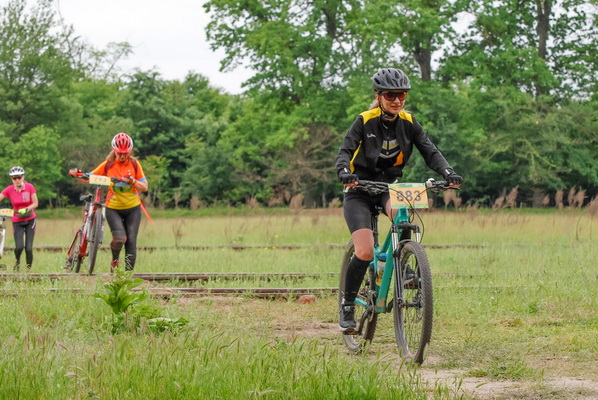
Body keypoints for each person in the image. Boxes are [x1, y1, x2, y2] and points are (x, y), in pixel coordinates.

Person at [335, 68, 463, 333]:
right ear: (379, 96)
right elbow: (345, 150)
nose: (396, 100)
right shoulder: (364, 120)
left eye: (401, 95)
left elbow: (430, 151)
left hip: (387, 187)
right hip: (359, 189)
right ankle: (347, 306)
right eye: (391, 95)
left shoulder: (409, 122)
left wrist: (448, 172)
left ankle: (404, 266)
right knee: (365, 251)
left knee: (402, 214)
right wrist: (345, 172)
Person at [69, 133, 148, 271]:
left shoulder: (135, 164)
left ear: (130, 151)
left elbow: (145, 186)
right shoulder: (108, 164)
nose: (122, 156)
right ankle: (114, 261)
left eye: (125, 153)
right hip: (113, 208)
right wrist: (77, 175)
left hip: (133, 209)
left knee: (131, 242)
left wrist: (133, 181)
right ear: (114, 151)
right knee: (119, 239)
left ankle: (127, 277)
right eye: (119, 153)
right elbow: (90, 177)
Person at [0, 166, 39, 270]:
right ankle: (17, 261)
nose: (17, 180)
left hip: (30, 219)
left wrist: (27, 209)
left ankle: (28, 270)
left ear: (23, 177)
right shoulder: (9, 189)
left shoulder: (29, 187)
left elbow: (35, 203)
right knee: (19, 247)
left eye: (19, 177)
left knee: (29, 248)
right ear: (11, 179)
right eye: (14, 178)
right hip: (17, 220)